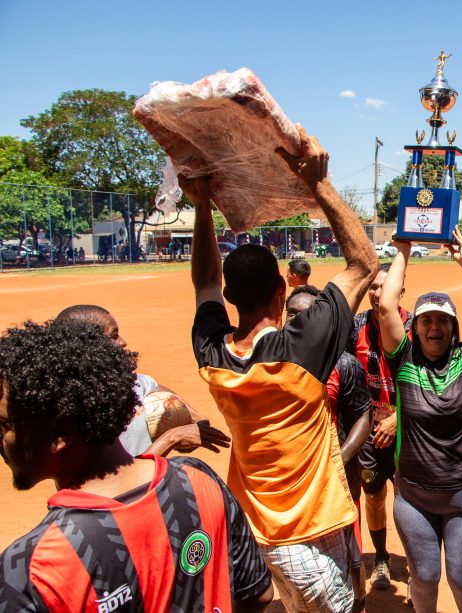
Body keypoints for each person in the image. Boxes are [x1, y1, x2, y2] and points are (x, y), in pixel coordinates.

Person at [185, 126, 378, 613]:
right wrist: (318, 183)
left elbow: (204, 279)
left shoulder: (212, 356)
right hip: (311, 536)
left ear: (231, 299)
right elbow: (363, 263)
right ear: (281, 290)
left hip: (253, 538)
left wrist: (203, 203)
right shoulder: (302, 349)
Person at [0, 319, 273, 611]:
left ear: (61, 434)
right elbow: (258, 593)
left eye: (5, 425)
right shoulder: (199, 479)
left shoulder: (32, 565)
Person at [377, 229, 462, 613]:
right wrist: (402, 250)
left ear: (454, 328)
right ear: (414, 327)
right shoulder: (403, 359)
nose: (435, 328)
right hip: (414, 497)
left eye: (443, 321)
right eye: (427, 321)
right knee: (426, 577)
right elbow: (385, 308)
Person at [287, 284, 373, 612]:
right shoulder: (270, 358)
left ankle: (357, 602)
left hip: (336, 475)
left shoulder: (344, 364)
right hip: (291, 478)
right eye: (291, 313)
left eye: (305, 313)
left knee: (347, 548)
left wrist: (337, 459)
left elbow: (362, 417)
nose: (296, 319)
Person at [54, 304, 230, 457]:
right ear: (85, 346)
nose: (123, 342)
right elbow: (121, 476)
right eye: (113, 336)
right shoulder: (77, 408)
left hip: (148, 491)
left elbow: (155, 389)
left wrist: (193, 419)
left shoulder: (129, 383)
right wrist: (172, 438)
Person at [348, 262, 414, 590]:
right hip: (371, 434)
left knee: (410, 500)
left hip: (411, 433)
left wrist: (399, 417)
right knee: (373, 497)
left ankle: (417, 561)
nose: (378, 293)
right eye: (373, 287)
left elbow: (431, 383)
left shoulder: (418, 326)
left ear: (401, 290)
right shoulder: (355, 326)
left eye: (386, 286)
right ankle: (382, 557)